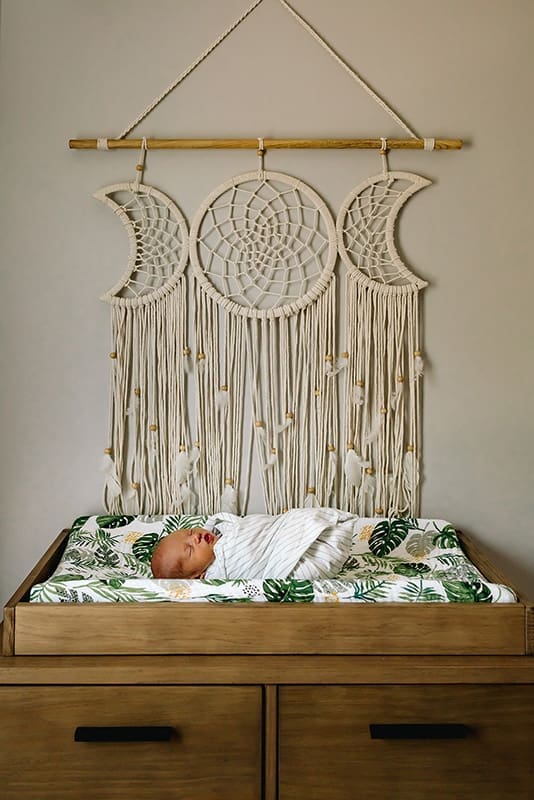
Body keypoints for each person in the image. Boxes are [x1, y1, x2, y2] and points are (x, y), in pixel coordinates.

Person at [151, 508, 356, 581]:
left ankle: (318, 528)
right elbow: (250, 551)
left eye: (190, 532)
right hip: (298, 560)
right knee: (305, 574)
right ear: (198, 576)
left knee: (298, 520)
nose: (195, 538)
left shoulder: (222, 532)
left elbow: (257, 527)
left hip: (284, 532)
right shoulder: (219, 573)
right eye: (189, 550)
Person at [151, 527, 218, 579]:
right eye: (190, 550)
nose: (195, 536)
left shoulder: (216, 529)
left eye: (190, 532)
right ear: (196, 576)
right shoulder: (217, 572)